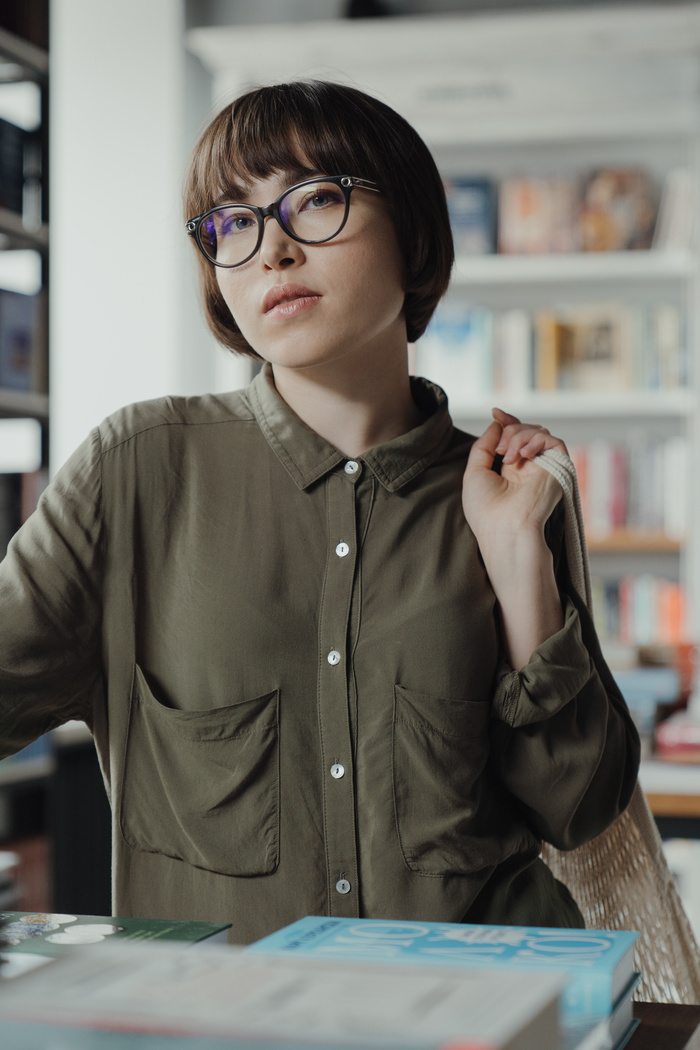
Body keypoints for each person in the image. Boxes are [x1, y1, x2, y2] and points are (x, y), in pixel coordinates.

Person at [0, 80, 639, 942]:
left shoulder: (509, 489)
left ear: (412, 233)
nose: (272, 250)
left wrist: (518, 556)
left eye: (318, 201)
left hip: (484, 1017)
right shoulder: (136, 471)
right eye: (233, 222)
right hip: (222, 1029)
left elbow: (579, 807)